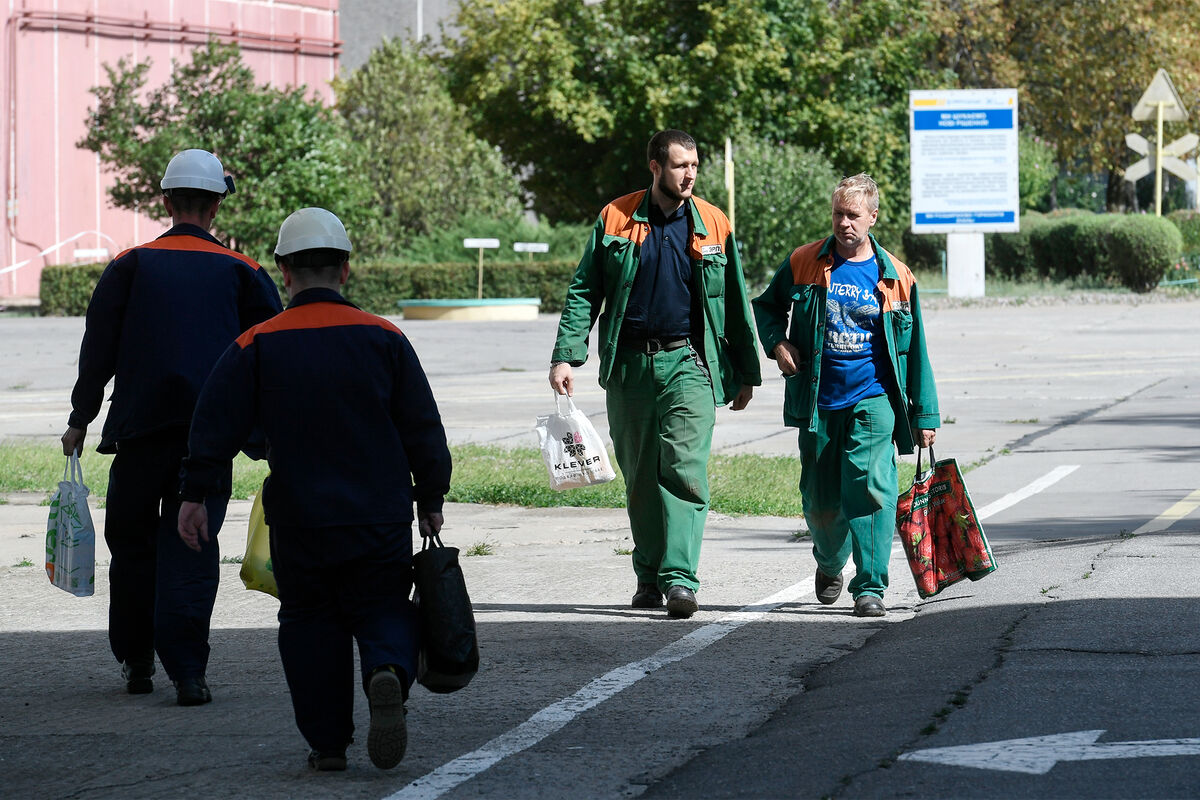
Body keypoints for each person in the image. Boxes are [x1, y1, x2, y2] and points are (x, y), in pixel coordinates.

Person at [178, 208, 452, 772]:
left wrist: (195, 492)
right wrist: (430, 498)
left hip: (301, 519)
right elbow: (424, 427)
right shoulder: (385, 338)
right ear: (346, 270)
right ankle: (387, 671)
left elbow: (214, 423)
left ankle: (328, 744)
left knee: (309, 622)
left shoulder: (257, 342)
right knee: (382, 606)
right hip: (378, 513)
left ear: (283, 271)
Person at [61, 149, 283, 705]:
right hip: (205, 450)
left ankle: (137, 662)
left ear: (165, 201)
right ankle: (188, 673)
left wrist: (79, 419)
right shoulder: (246, 273)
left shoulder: (129, 266)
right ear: (216, 206)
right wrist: (274, 438)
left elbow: (98, 354)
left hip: (137, 440)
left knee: (132, 548)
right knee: (192, 547)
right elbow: (271, 364)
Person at [549, 129, 762, 619]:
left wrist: (745, 373)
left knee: (684, 473)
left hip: (689, 362)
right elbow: (585, 290)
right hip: (628, 367)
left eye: (694, 165)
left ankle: (681, 580)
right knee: (641, 477)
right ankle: (648, 574)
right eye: (680, 165)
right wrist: (566, 356)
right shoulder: (616, 218)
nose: (689, 175)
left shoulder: (713, 223)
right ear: (655, 166)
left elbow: (734, 302)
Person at [751, 173, 939, 618]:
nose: (844, 223)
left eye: (853, 215)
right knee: (820, 504)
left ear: (873, 217)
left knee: (872, 489)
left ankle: (870, 586)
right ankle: (830, 561)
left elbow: (917, 351)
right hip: (818, 400)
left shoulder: (896, 276)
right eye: (838, 213)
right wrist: (778, 344)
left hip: (873, 399)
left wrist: (924, 413)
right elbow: (766, 305)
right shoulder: (804, 262)